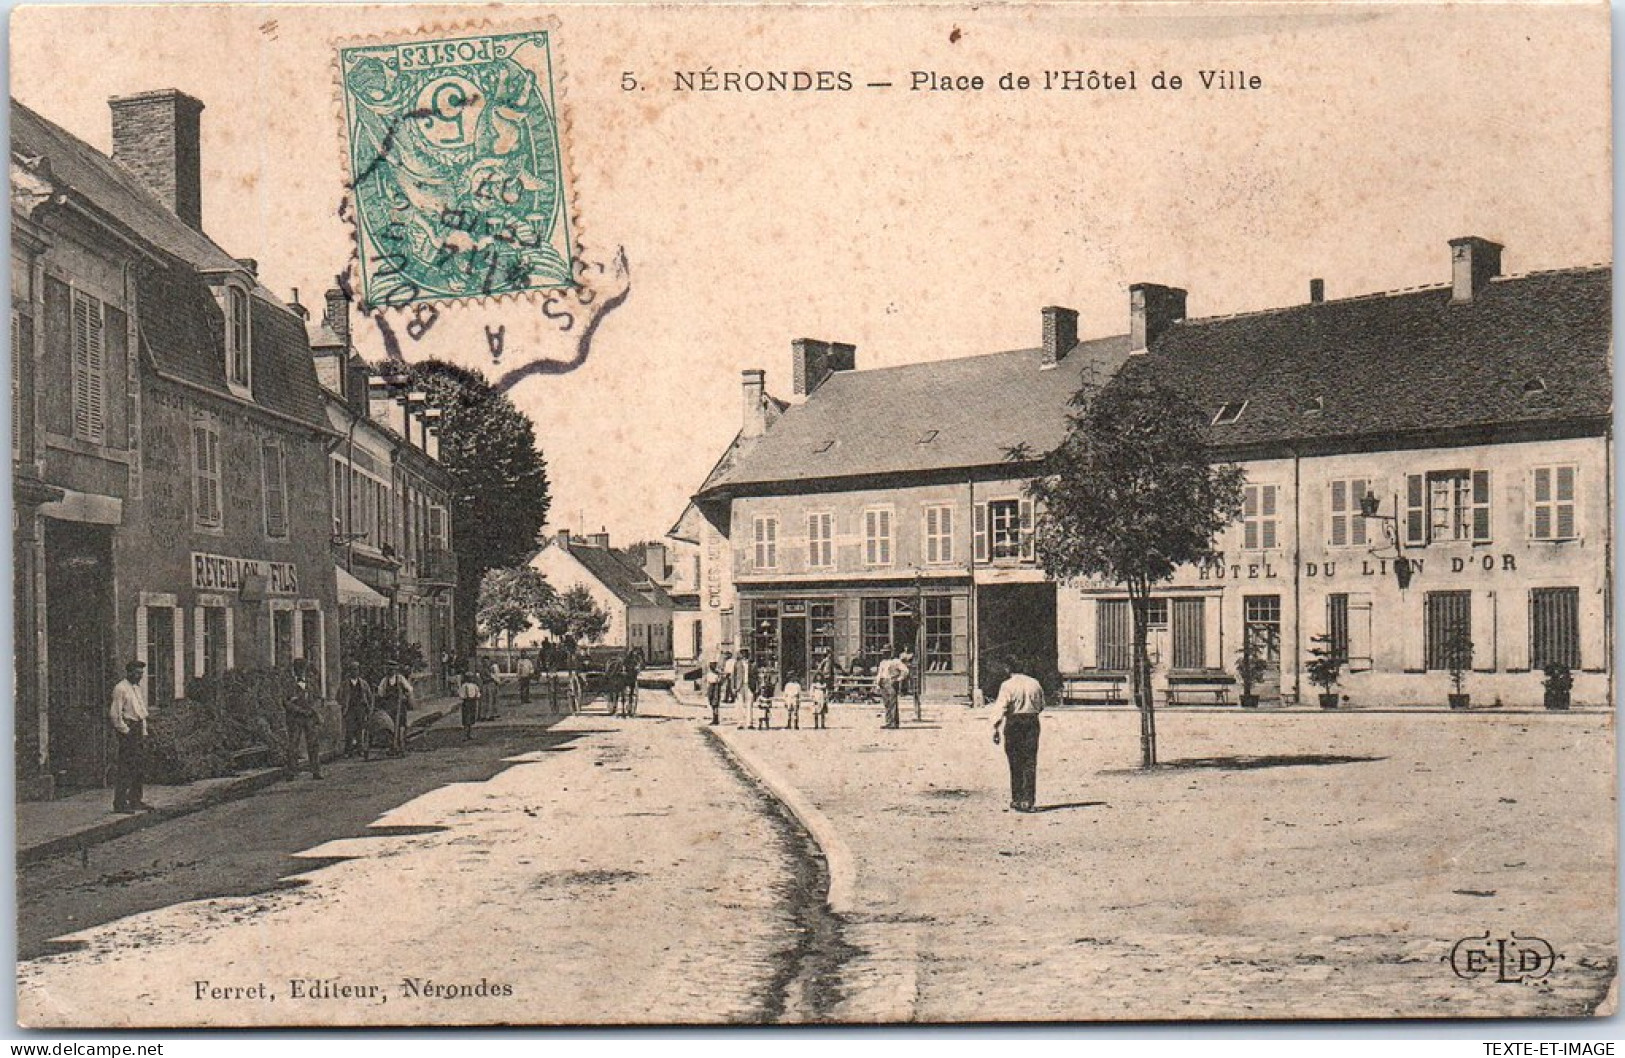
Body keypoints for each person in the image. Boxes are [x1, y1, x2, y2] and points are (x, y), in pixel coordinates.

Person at [990, 664, 1046, 812]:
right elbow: (1041, 706)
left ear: (1009, 669)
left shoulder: (1007, 685)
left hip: (1014, 722)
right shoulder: (1035, 683)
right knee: (1030, 761)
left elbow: (1001, 707)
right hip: (1032, 722)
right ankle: (1028, 801)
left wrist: (995, 728)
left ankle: (1017, 798)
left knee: (1015, 761)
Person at [109, 660, 152, 813]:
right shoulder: (121, 688)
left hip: (138, 729)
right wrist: (125, 731)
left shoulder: (137, 688)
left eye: (141, 673)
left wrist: (144, 731)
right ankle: (120, 803)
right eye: (136, 673)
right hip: (129, 731)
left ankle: (135, 800)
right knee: (126, 767)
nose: (139, 676)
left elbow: (141, 712)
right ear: (129, 672)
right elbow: (115, 714)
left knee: (138, 767)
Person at [284, 658, 323, 780]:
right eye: (297, 669)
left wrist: (312, 709)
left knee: (313, 744)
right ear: (294, 670)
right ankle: (292, 772)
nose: (300, 671)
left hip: (310, 717)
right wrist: (299, 710)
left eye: (302, 668)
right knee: (293, 744)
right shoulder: (289, 684)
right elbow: (285, 701)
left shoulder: (311, 683)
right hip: (295, 718)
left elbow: (318, 698)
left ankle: (316, 771)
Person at [338, 661, 375, 757]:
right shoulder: (345, 684)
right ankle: (348, 751)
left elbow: (370, 696)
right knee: (349, 730)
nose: (354, 671)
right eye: (352, 669)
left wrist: (369, 708)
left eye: (356, 669)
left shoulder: (363, 683)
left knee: (360, 730)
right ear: (349, 671)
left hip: (361, 708)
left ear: (359, 671)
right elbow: (338, 696)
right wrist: (343, 704)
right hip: (350, 709)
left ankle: (360, 749)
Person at [378, 662, 415, 756]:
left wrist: (405, 695)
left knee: (401, 725)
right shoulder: (384, 681)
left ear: (395, 670)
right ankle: (392, 746)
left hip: (400, 706)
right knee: (390, 725)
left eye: (392, 669)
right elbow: (381, 693)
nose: (390, 671)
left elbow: (410, 689)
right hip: (389, 706)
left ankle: (401, 745)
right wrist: (384, 696)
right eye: (389, 669)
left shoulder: (400, 678)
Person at [875, 646, 909, 729]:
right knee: (886, 703)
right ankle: (888, 722)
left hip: (891, 682)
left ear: (891, 652)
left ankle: (894, 722)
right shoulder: (882, 662)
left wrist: (898, 679)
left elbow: (905, 671)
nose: (885, 653)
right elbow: (880, 673)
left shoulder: (896, 661)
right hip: (883, 682)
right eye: (884, 652)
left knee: (892, 702)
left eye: (887, 652)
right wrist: (877, 684)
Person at [734, 649, 755, 729]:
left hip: (749, 685)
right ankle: (740, 723)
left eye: (746, 654)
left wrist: (756, 687)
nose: (744, 656)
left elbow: (755, 676)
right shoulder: (737, 664)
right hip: (740, 686)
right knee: (740, 705)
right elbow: (734, 676)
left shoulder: (752, 664)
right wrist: (734, 687)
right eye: (743, 654)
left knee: (749, 704)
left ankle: (749, 723)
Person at [459, 670, 482, 739]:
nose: (471, 679)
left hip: (473, 702)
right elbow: (461, 695)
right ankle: (465, 735)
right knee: (466, 718)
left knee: (471, 718)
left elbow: (478, 694)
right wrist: (465, 698)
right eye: (469, 677)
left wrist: (476, 696)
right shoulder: (464, 686)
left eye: (471, 677)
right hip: (466, 703)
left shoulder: (475, 686)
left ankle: (470, 734)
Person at [704, 660, 723, 725]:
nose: (712, 666)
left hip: (716, 687)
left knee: (715, 704)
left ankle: (716, 719)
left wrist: (719, 680)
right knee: (711, 703)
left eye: (713, 665)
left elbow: (720, 681)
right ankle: (714, 717)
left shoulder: (718, 673)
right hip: (710, 688)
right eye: (711, 665)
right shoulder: (708, 673)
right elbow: (707, 682)